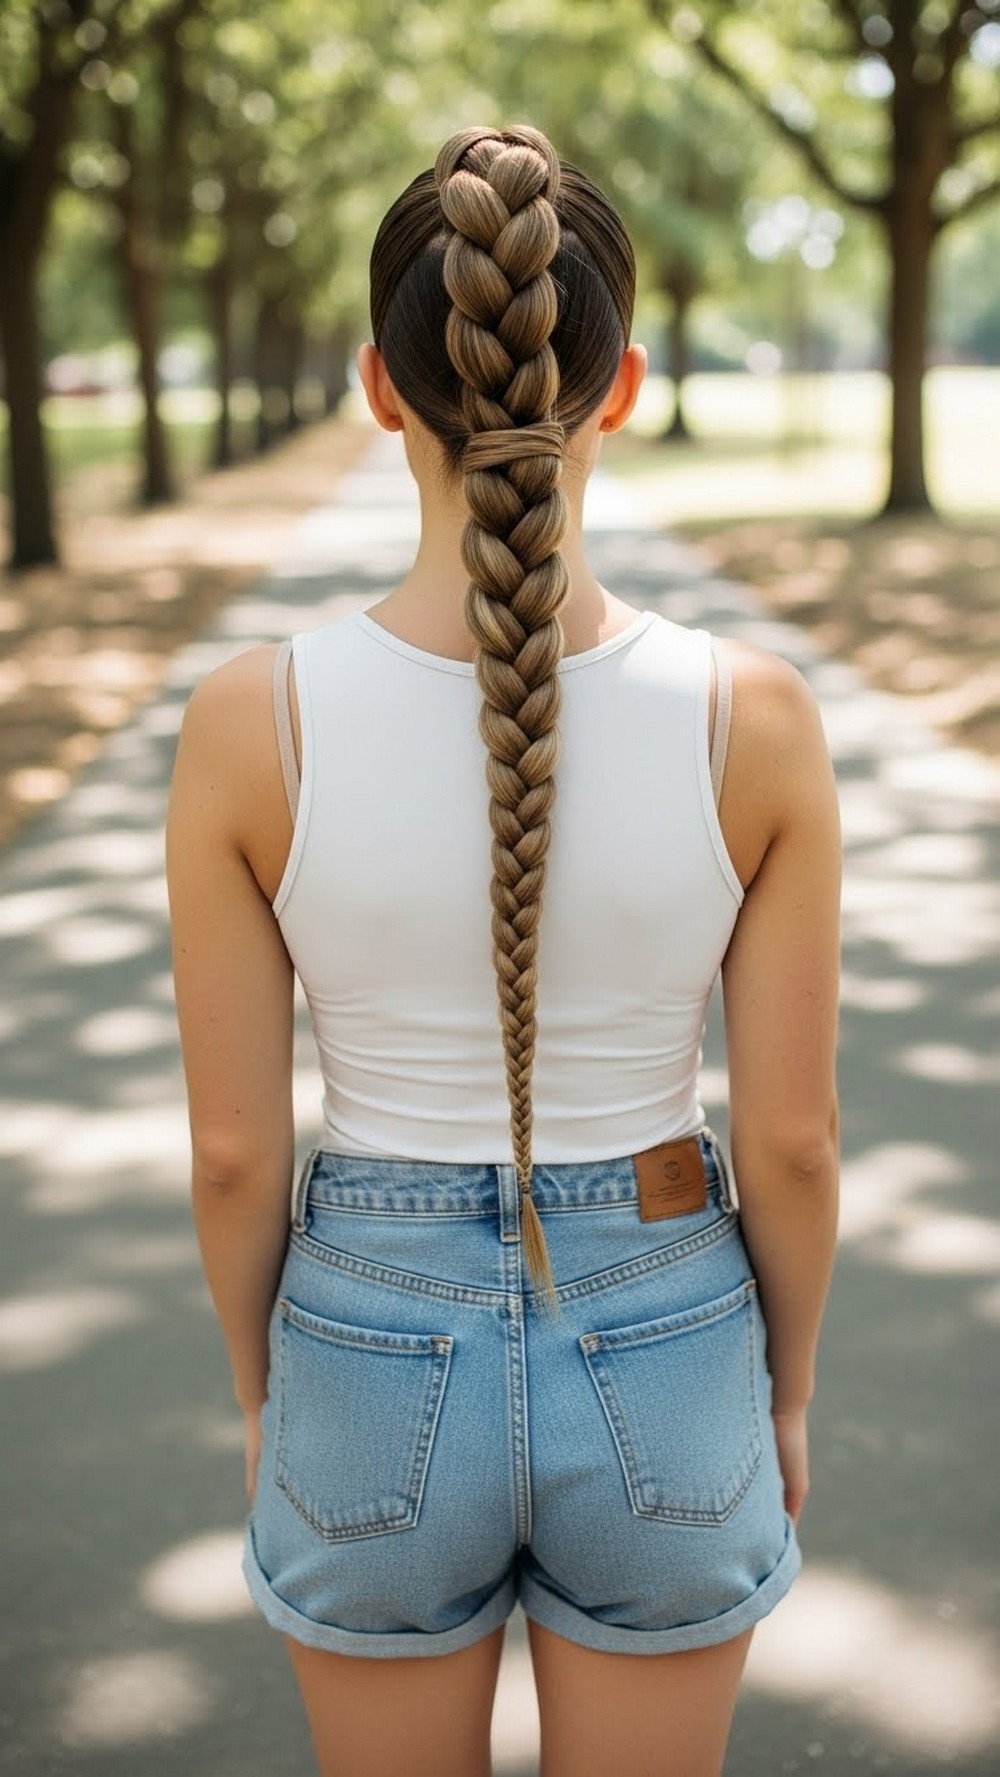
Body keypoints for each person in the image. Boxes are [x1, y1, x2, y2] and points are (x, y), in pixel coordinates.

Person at [166, 123, 840, 1777]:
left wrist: (272, 1387)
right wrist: (785, 1383)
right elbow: (795, 1143)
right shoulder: (751, 718)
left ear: (379, 389)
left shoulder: (252, 724)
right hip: (668, 1320)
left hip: (364, 1341)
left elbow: (237, 1150)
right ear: (619, 388)